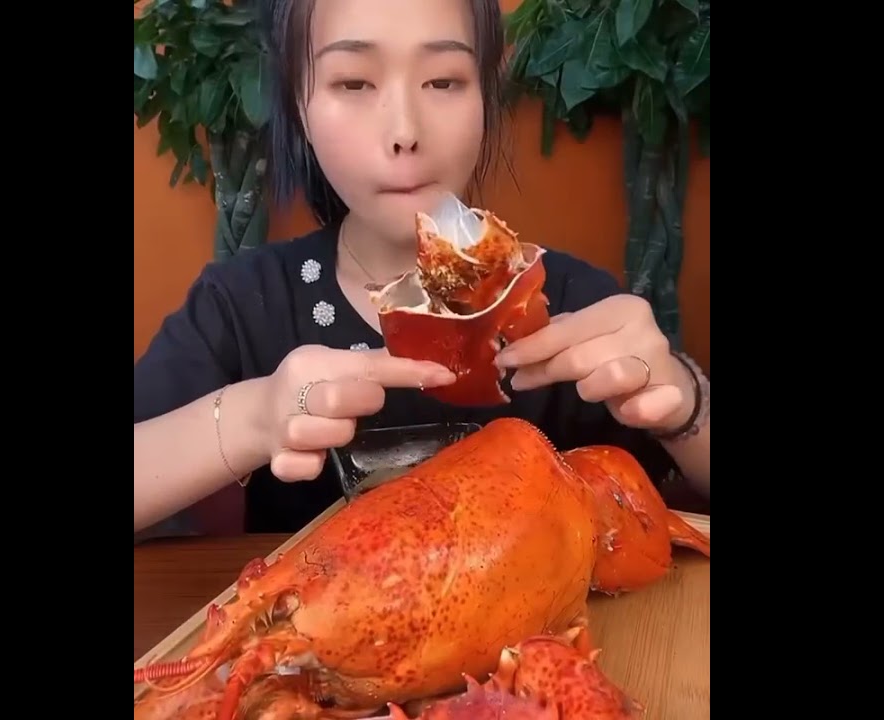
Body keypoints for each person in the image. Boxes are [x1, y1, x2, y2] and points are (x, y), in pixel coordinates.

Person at [133, 0, 711, 538]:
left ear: (484, 97)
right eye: (353, 83)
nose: (405, 132)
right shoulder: (240, 304)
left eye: (443, 81)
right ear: (298, 107)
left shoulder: (573, 303)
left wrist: (683, 403)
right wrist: (254, 418)